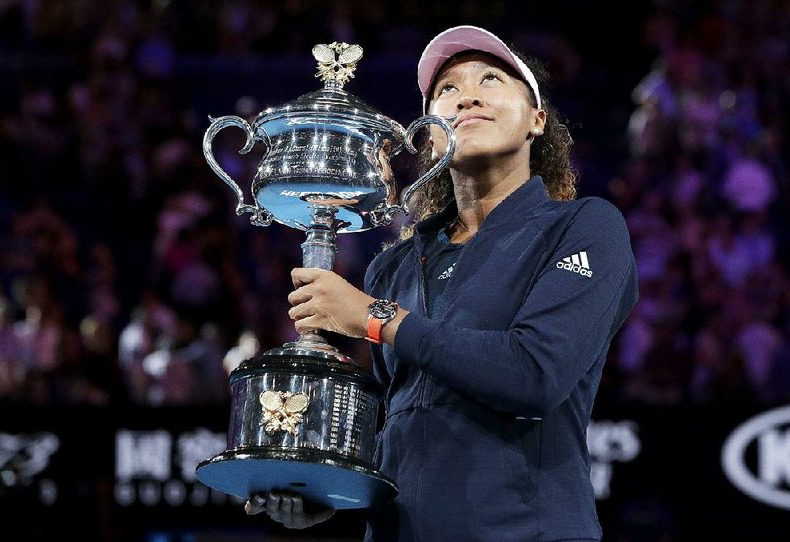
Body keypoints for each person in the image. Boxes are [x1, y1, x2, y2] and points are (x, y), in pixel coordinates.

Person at [245, 25, 639, 542]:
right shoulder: (394, 266)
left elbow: (535, 374)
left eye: (492, 79)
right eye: (447, 89)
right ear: (428, 132)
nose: (468, 95)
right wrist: (328, 487)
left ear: (537, 121)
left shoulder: (584, 227)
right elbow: (397, 422)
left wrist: (374, 318)